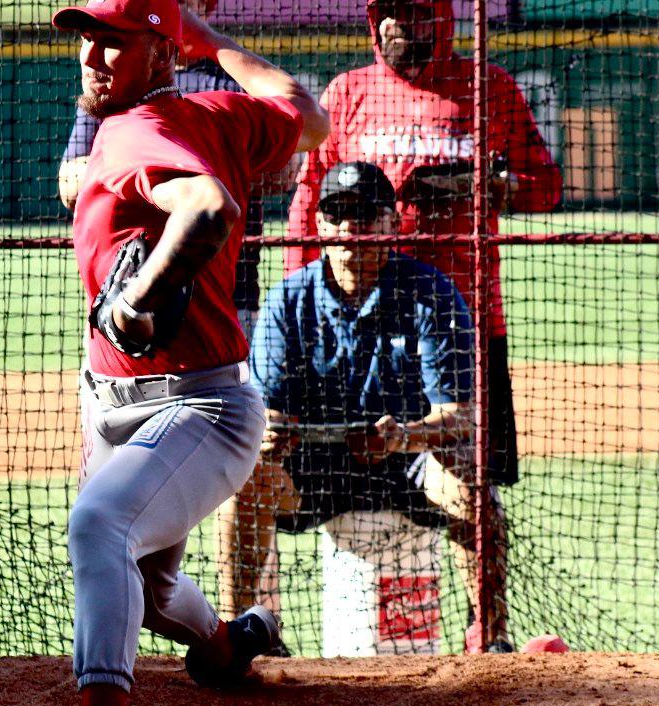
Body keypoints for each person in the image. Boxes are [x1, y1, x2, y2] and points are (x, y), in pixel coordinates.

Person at [48, 0, 329, 706]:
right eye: (86, 36)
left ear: (160, 52)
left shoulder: (133, 132)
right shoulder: (222, 116)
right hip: (119, 400)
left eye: (116, 39)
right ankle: (224, 648)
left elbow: (203, 205)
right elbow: (306, 114)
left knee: (101, 526)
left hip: (198, 407)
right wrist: (215, 45)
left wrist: (144, 291)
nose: (94, 54)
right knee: (149, 576)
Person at [285, 0, 561, 562]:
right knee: (309, 465)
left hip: (462, 316)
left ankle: (487, 635)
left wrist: (487, 188)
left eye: (413, 13)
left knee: (469, 476)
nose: (398, 25)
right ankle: (258, 624)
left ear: (443, 19)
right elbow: (308, 206)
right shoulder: (347, 92)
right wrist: (298, 299)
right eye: (387, 13)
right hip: (355, 323)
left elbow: (545, 186)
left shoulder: (490, 87)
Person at [218, 161, 511, 651]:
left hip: (407, 460)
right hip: (316, 468)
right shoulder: (287, 302)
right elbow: (270, 414)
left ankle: (490, 635)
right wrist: (271, 433)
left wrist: (405, 436)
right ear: (319, 225)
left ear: (394, 224)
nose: (350, 228)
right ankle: (235, 636)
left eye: (366, 215)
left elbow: (464, 414)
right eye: (337, 214)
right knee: (243, 480)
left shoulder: (432, 293)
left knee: (470, 480)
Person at [57, 0, 291, 344]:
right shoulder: (108, 89)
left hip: (226, 295)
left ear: (206, 5)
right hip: (123, 292)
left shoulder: (231, 82)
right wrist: (158, 173)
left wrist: (181, 181)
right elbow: (70, 183)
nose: (163, 3)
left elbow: (282, 176)